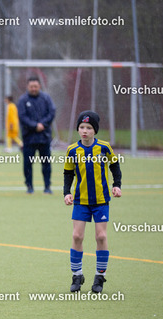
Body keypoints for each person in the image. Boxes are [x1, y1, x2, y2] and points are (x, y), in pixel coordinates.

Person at [64, 111, 122, 293]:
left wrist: (117, 185)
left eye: (89, 128)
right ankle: (77, 275)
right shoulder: (72, 150)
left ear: (95, 130)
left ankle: (99, 276)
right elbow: (68, 172)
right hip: (80, 200)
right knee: (77, 236)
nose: (85, 131)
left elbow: (114, 165)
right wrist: (66, 192)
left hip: (101, 201)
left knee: (101, 236)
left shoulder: (104, 147)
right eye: (82, 127)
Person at [17, 76, 56, 194]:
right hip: (29, 138)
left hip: (44, 137)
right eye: (31, 86)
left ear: (39, 86)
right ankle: (29, 187)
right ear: (27, 87)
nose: (33, 88)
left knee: (46, 163)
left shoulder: (46, 98)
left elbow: (52, 112)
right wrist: (35, 126)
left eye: (35, 86)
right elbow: (22, 116)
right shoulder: (23, 100)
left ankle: (47, 187)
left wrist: (42, 124)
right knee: (28, 164)